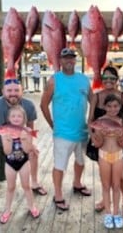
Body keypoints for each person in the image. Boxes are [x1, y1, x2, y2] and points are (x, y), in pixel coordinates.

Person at [0, 78, 47, 219]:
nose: (13, 93)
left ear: (22, 91)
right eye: (9, 90)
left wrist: (31, 144)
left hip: (18, 139)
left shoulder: (29, 106)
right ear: (3, 92)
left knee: (34, 154)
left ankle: (34, 183)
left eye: (16, 90)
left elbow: (29, 127)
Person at [40, 48, 92, 211]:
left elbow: (94, 99)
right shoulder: (54, 80)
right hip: (62, 132)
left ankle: (77, 183)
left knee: (81, 161)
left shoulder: (84, 79)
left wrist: (90, 120)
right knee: (60, 165)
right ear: (60, 61)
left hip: (82, 131)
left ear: (75, 61)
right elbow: (43, 104)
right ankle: (58, 194)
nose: (69, 61)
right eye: (65, 58)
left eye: (72, 58)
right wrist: (52, 124)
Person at [88, 66, 123, 217]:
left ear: (117, 80)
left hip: (119, 141)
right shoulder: (96, 96)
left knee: (122, 176)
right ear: (101, 80)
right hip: (101, 141)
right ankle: (105, 200)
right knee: (105, 175)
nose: (108, 81)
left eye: (112, 78)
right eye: (105, 78)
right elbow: (90, 120)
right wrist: (93, 136)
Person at [91, 94, 123, 229]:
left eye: (116, 106)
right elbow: (97, 144)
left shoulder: (122, 121)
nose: (113, 109)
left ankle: (116, 213)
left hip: (118, 155)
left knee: (117, 185)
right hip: (103, 156)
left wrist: (120, 136)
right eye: (109, 106)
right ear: (104, 107)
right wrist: (100, 133)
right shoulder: (99, 121)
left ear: (120, 107)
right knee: (106, 186)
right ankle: (108, 213)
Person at [0, 105, 40, 223]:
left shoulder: (28, 131)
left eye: (19, 116)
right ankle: (7, 210)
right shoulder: (5, 133)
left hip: (24, 162)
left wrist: (24, 139)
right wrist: (8, 140)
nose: (16, 118)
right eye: (13, 116)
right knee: (10, 187)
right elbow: (7, 152)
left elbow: (27, 150)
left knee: (26, 186)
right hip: (9, 163)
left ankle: (32, 207)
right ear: (9, 118)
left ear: (24, 118)